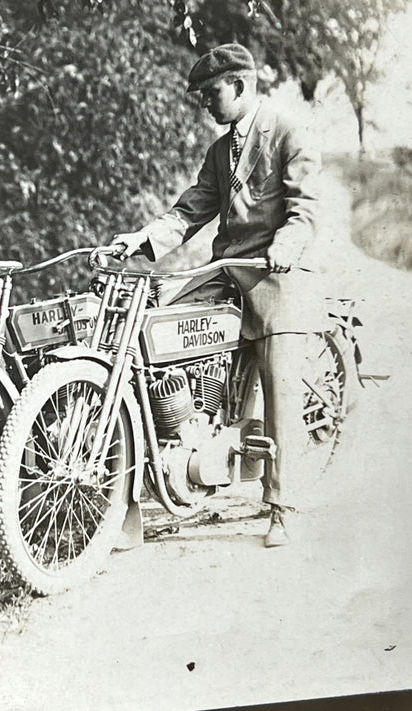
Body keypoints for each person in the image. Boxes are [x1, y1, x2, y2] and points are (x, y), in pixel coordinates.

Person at [112, 43, 330, 547]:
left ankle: (282, 505)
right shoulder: (219, 152)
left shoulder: (289, 130)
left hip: (276, 271)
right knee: (154, 330)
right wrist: (140, 241)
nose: (205, 104)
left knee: (279, 381)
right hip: (229, 269)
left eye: (211, 93)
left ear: (241, 85)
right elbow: (190, 211)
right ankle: (140, 487)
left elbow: (306, 209)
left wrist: (286, 244)